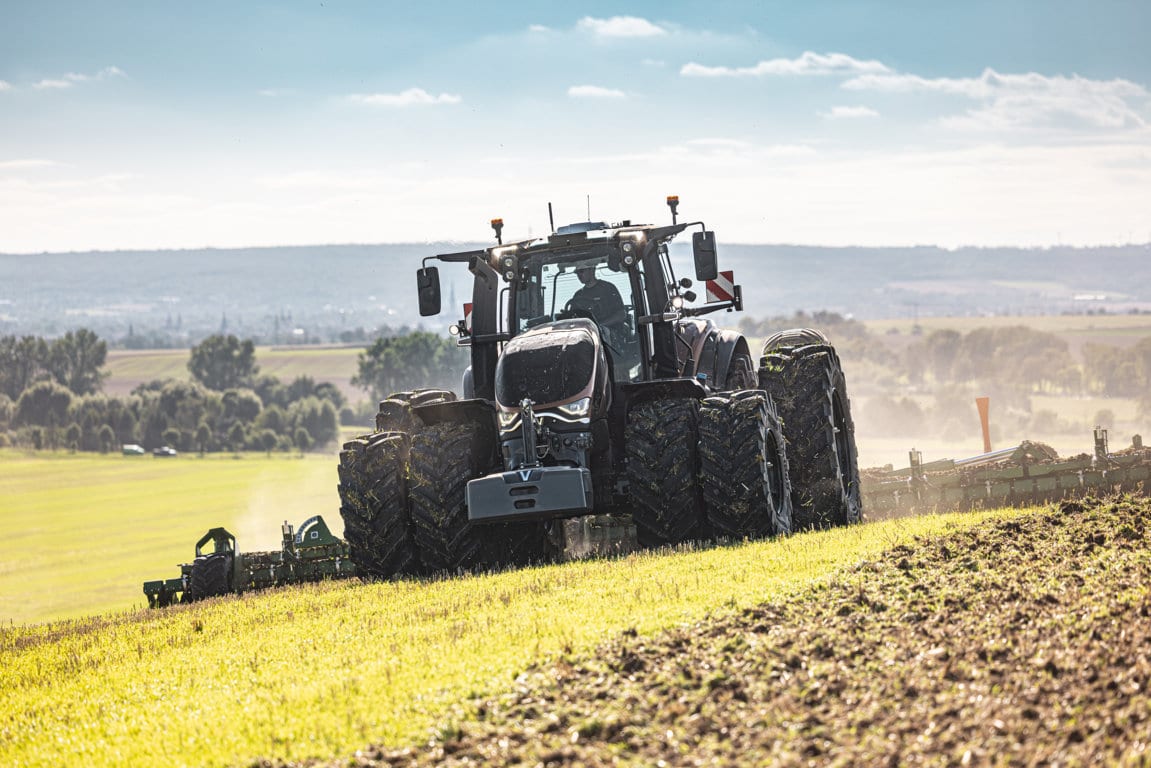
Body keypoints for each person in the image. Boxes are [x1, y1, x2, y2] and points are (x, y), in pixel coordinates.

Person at [567, 264, 627, 328]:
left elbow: (621, 314)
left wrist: (599, 326)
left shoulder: (608, 288)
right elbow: (573, 318)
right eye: (577, 273)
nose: (579, 275)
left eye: (581, 271)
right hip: (587, 333)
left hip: (610, 332)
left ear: (592, 270)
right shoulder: (578, 295)